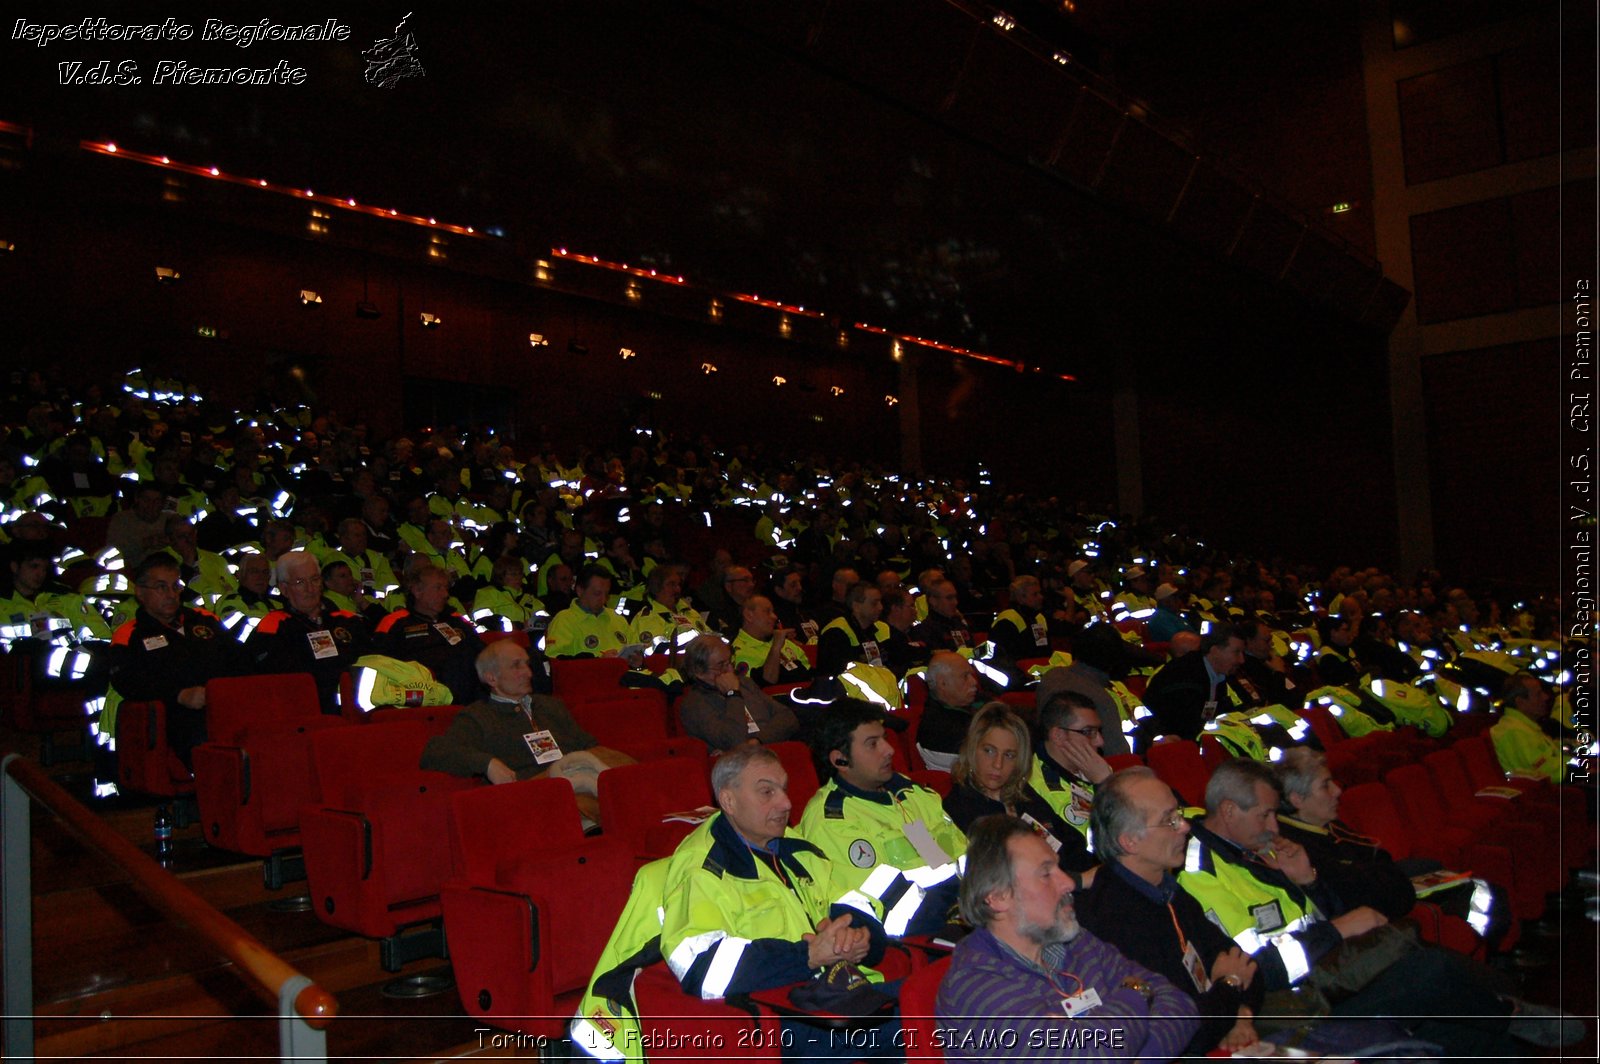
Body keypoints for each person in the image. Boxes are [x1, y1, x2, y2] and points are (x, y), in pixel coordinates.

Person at [1177, 760, 1548, 1056]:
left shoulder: (1255, 849)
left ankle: (1505, 1014)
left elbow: (1318, 913)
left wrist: (1309, 880)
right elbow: (1260, 968)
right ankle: (1505, 1012)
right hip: (1298, 1002)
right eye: (1265, 815)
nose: (1275, 826)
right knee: (1430, 972)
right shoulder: (1198, 873)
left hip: (1336, 972)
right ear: (1228, 811)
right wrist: (1337, 930)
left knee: (1469, 1034)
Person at [659, 743, 898, 1060]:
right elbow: (703, 965)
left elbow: (853, 902)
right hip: (777, 1016)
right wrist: (810, 955)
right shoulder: (703, 868)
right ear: (728, 800)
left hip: (840, 992)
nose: (786, 802)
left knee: (953, 993)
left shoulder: (796, 845)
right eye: (766, 792)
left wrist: (859, 937)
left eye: (783, 789)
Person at [936, 814, 1199, 1063]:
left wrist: (1133, 1055)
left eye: (1059, 868)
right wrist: (1135, 992)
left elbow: (1180, 1005)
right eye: (1046, 874)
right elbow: (1090, 1056)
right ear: (998, 897)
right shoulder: (974, 988)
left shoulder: (1077, 943)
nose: (1069, 884)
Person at [1077, 767, 1265, 1055]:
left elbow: (1245, 964)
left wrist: (1240, 1012)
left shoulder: (1171, 893)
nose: (1185, 827)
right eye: (1169, 821)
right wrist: (1229, 986)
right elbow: (1176, 1030)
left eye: (1179, 815)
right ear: (1129, 840)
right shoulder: (1109, 921)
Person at [1272, 747, 1506, 946]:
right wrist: (1387, 877)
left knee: (1471, 883)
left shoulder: (1325, 825)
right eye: (1325, 786)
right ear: (1297, 799)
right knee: (1475, 894)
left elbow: (1379, 858)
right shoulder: (1296, 847)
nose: (1337, 790)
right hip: (1377, 915)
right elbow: (1364, 893)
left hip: (1390, 887)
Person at [797, 699, 966, 937]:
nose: (889, 750)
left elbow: (947, 862)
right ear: (840, 760)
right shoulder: (832, 822)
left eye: (884, 738)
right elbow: (892, 910)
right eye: (872, 744)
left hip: (970, 914)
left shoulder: (906, 794)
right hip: (920, 939)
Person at [420, 639, 633, 824]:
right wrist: (487, 763)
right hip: (536, 796)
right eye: (516, 666)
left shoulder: (551, 706)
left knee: (620, 771)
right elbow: (435, 752)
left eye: (527, 665)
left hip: (577, 777)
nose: (528, 673)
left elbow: (588, 745)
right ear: (491, 678)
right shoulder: (478, 717)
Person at [106, 554, 244, 767]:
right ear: (140, 592)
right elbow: (128, 682)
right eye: (161, 587)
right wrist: (178, 695)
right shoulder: (130, 634)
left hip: (226, 707)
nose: (171, 594)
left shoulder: (204, 620)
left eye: (175, 586)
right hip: (177, 717)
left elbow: (239, 659)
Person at [943, 703, 1091, 884]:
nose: (998, 764)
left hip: (1068, 884)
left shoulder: (1022, 795)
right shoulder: (959, 807)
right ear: (972, 750)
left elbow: (1072, 844)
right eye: (989, 751)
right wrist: (1078, 880)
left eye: (1009, 755)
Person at [244, 549, 370, 713]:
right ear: (284, 588)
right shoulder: (274, 626)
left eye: (314, 579)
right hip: (302, 717)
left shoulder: (345, 620)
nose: (310, 589)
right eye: (300, 582)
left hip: (352, 711)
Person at [372, 562, 485, 703]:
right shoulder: (394, 622)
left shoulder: (457, 620)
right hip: (423, 696)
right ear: (417, 591)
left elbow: (482, 653)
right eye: (438, 588)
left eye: (446, 588)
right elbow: (383, 667)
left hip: (468, 693)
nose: (445, 594)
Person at [1034, 622, 1147, 758]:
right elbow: (1119, 757)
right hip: (1093, 771)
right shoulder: (1101, 699)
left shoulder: (1051, 676)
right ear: (1114, 661)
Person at [677, 634, 800, 753]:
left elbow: (788, 717)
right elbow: (733, 740)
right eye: (721, 665)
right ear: (699, 672)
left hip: (771, 747)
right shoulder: (694, 704)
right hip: (740, 766)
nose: (730, 670)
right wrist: (733, 694)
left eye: (730, 662)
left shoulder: (745, 683)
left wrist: (758, 741)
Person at [1027, 691, 1115, 841]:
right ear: (1058, 736)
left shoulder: (1094, 768)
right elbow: (1097, 841)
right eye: (1088, 732)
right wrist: (1104, 785)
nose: (1100, 742)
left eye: (1098, 731)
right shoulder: (1041, 786)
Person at [1140, 626, 1246, 743]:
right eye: (1236, 652)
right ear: (1215, 650)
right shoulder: (1183, 677)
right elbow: (1185, 727)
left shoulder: (1218, 675)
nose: (1242, 660)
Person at [913, 651, 984, 772]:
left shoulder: (975, 702)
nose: (974, 682)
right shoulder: (937, 729)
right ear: (943, 683)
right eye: (965, 676)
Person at [1492, 672, 1567, 784]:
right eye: (1538, 694)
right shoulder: (1514, 732)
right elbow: (1544, 773)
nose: (1545, 697)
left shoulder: (1525, 727)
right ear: (1520, 702)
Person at [544, 565, 631, 658]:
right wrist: (599, 662)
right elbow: (555, 663)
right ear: (580, 591)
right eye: (597, 593)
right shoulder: (564, 620)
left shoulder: (617, 618)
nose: (603, 599)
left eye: (606, 594)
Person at [730, 595, 813, 686]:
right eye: (767, 612)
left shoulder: (784, 642)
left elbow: (809, 674)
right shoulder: (738, 651)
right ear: (749, 615)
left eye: (773, 612)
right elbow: (762, 685)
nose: (774, 616)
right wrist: (776, 648)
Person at [815, 581, 889, 677]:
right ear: (857, 606)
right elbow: (837, 673)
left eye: (880, 602)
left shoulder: (882, 628)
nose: (881, 607)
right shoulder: (835, 632)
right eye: (874, 603)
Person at [986, 575, 1052, 663]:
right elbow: (1002, 656)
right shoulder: (1007, 619)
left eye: (1040, 593)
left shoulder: (1039, 617)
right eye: (1035, 594)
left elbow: (1045, 651)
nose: (1041, 597)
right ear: (1021, 598)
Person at [909, 578, 973, 652]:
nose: (955, 602)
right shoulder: (924, 631)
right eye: (949, 598)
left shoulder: (960, 624)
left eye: (955, 597)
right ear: (933, 601)